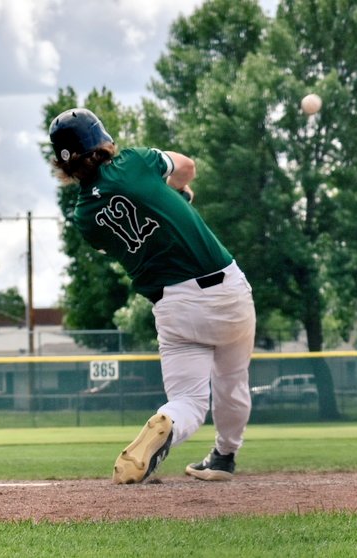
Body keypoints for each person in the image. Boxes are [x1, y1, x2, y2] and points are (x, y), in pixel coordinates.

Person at [49, 108, 256, 484]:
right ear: (102, 139)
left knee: (188, 402)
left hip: (173, 306)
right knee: (232, 381)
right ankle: (224, 456)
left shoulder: (84, 217)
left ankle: (169, 421)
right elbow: (187, 168)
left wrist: (166, 198)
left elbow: (132, 228)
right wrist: (176, 191)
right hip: (225, 291)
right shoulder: (133, 162)